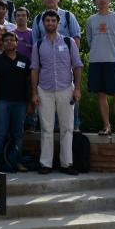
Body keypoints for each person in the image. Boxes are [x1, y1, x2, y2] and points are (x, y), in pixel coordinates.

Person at [31, 10, 83, 175]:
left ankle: (66, 163)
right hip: (44, 90)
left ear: (58, 23)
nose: (50, 23)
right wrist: (34, 92)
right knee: (46, 129)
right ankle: (45, 164)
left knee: (67, 128)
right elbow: (34, 69)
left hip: (66, 88)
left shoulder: (69, 42)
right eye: (47, 21)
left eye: (53, 21)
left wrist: (78, 89)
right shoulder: (38, 44)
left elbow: (77, 66)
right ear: (44, 24)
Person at [86, 0, 115, 135]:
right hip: (96, 60)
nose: (101, 0)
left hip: (113, 60)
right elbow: (90, 39)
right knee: (101, 94)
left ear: (109, 0)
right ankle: (107, 126)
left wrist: (114, 52)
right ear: (94, 2)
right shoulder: (91, 19)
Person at [0, 32, 31, 171]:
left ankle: (15, 162)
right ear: (2, 43)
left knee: (18, 135)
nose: (9, 42)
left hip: (20, 103)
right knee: (0, 133)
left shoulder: (24, 60)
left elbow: (30, 82)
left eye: (12, 40)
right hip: (2, 102)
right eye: (6, 40)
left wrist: (30, 102)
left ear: (16, 42)